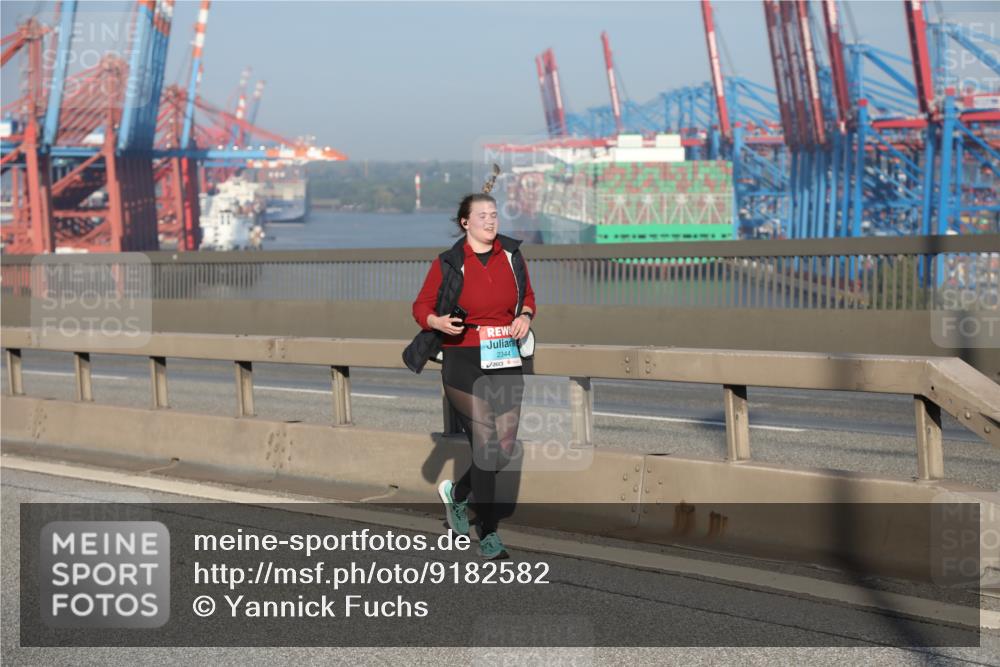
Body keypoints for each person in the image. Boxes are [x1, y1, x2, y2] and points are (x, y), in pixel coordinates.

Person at [405, 193, 535, 559]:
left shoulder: (511, 255)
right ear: (465, 223)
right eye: (482, 216)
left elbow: (529, 297)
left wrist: (524, 316)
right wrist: (436, 322)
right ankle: (489, 531)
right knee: (485, 440)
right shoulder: (449, 261)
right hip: (462, 356)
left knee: (503, 449)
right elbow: (421, 306)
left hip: (504, 356)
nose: (491, 222)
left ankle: (457, 495)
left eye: (494, 215)